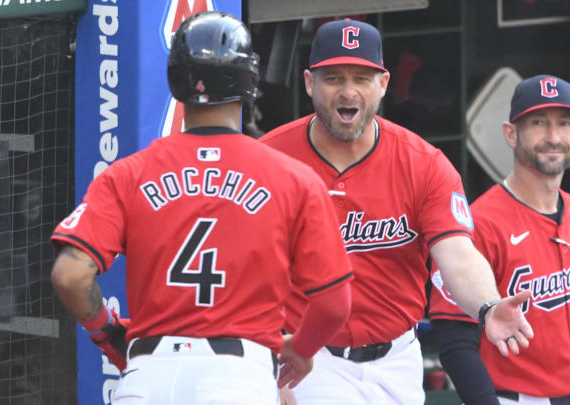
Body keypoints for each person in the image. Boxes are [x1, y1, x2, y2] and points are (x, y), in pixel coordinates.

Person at [49, 11, 353, 405]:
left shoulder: (128, 173)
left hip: (146, 376)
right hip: (237, 378)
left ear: (177, 79)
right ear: (249, 82)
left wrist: (107, 333)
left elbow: (70, 275)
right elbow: (334, 304)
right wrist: (302, 348)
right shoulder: (293, 178)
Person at [260, 18, 534, 405]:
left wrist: (487, 306)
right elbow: (245, 273)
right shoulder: (269, 161)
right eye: (334, 78)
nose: (348, 91)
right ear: (309, 83)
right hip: (308, 358)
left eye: (362, 77)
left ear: (383, 84)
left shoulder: (423, 164)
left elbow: (457, 254)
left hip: (398, 359)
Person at [429, 74, 570, 405]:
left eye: (565, 124)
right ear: (511, 134)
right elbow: (455, 338)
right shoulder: (478, 224)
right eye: (538, 123)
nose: (553, 137)